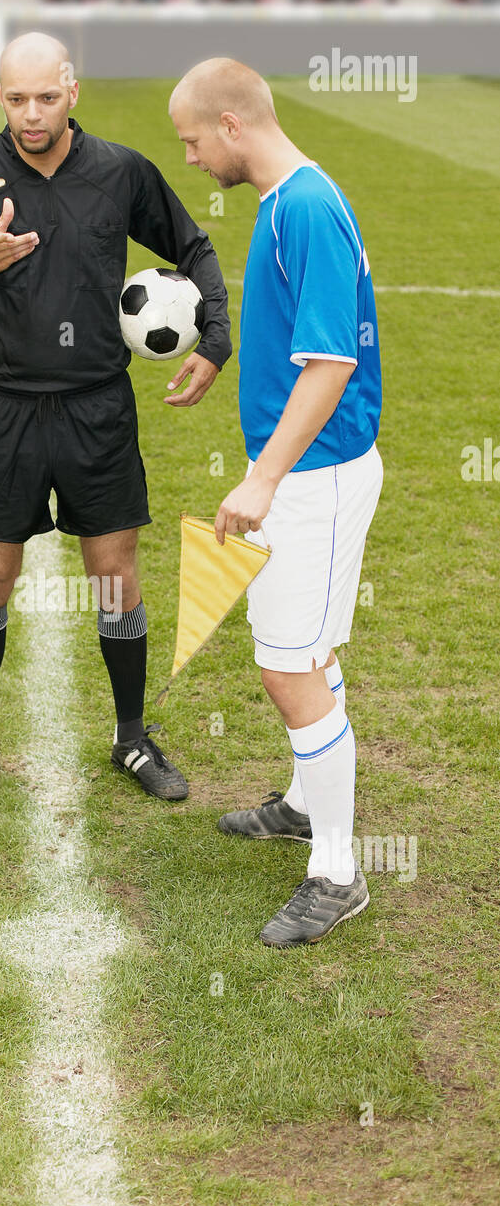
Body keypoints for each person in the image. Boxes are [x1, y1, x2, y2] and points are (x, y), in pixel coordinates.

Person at [0, 31, 231, 805]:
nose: (31, 115)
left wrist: (217, 338)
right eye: (16, 99)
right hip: (1, 408)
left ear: (72, 91)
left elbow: (192, 246)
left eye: (46, 97)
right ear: (0, 96)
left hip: (96, 407)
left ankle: (131, 738)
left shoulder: (119, 171)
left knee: (114, 577)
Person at [169, 59, 383, 947]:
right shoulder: (287, 201)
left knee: (285, 668)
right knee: (305, 649)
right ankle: (303, 803)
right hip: (305, 476)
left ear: (229, 124)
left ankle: (335, 873)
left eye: (189, 141)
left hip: (314, 479)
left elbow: (330, 363)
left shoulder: (301, 206)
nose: (188, 159)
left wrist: (263, 477)